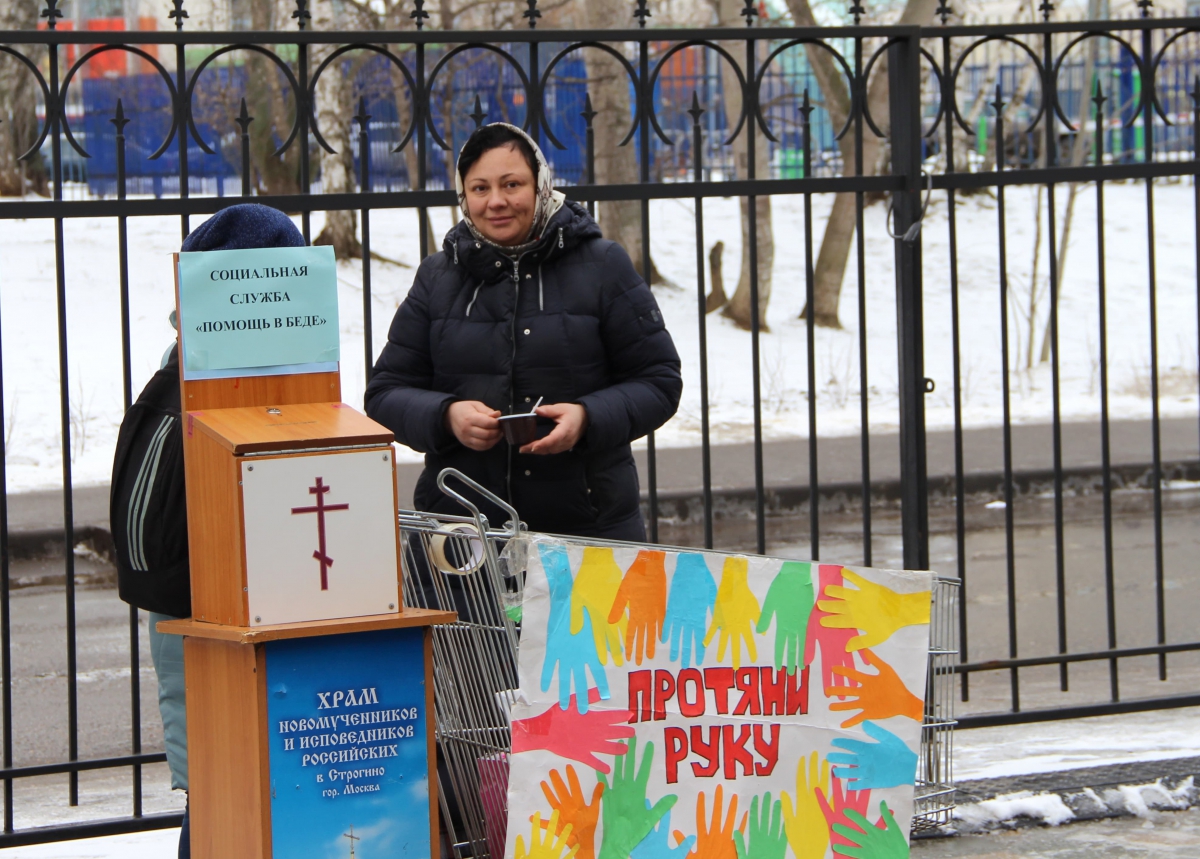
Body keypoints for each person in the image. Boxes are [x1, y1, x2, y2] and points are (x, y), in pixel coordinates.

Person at [365, 123, 682, 540]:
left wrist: (587, 418)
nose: (496, 201)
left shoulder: (603, 266)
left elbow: (658, 381)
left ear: (541, 186)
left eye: (511, 184)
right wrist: (446, 416)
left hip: (588, 531)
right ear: (464, 195)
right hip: (465, 534)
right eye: (480, 188)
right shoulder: (438, 277)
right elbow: (385, 393)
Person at [112, 204, 307, 859]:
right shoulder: (213, 383)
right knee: (226, 793)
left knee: (234, 789)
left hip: (229, 617)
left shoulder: (201, 369)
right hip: (210, 619)